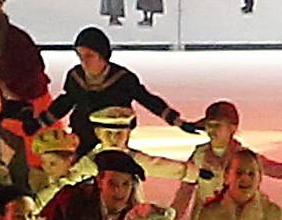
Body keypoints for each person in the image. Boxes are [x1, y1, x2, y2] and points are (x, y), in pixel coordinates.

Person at [46, 30, 183, 154]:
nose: (84, 62)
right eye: (80, 56)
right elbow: (65, 102)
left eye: (89, 56)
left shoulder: (123, 79)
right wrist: (39, 122)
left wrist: (175, 120)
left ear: (102, 55)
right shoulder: (75, 76)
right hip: (82, 135)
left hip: (114, 139)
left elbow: (146, 99)